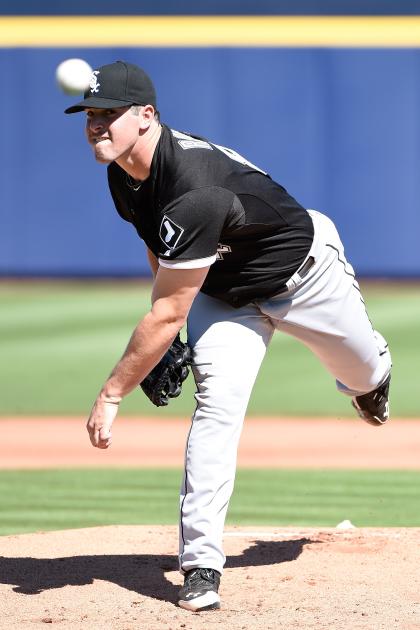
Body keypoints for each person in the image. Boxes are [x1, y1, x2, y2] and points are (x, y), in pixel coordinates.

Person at [65, 60, 392, 612]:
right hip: (223, 295)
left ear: (146, 116)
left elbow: (169, 310)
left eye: (109, 114)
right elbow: (160, 249)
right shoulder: (123, 172)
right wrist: (168, 323)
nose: (96, 125)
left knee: (362, 371)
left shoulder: (194, 186)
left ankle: (373, 376)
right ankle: (201, 565)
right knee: (216, 411)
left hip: (306, 276)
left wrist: (113, 391)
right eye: (90, 114)